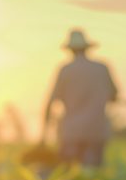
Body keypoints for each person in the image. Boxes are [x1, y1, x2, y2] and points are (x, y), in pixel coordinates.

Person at [42, 29, 118, 167]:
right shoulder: (102, 68)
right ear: (87, 48)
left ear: (70, 50)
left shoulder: (65, 70)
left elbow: (51, 102)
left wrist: (43, 135)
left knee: (70, 176)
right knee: (93, 175)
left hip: (71, 131)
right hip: (97, 130)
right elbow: (114, 96)